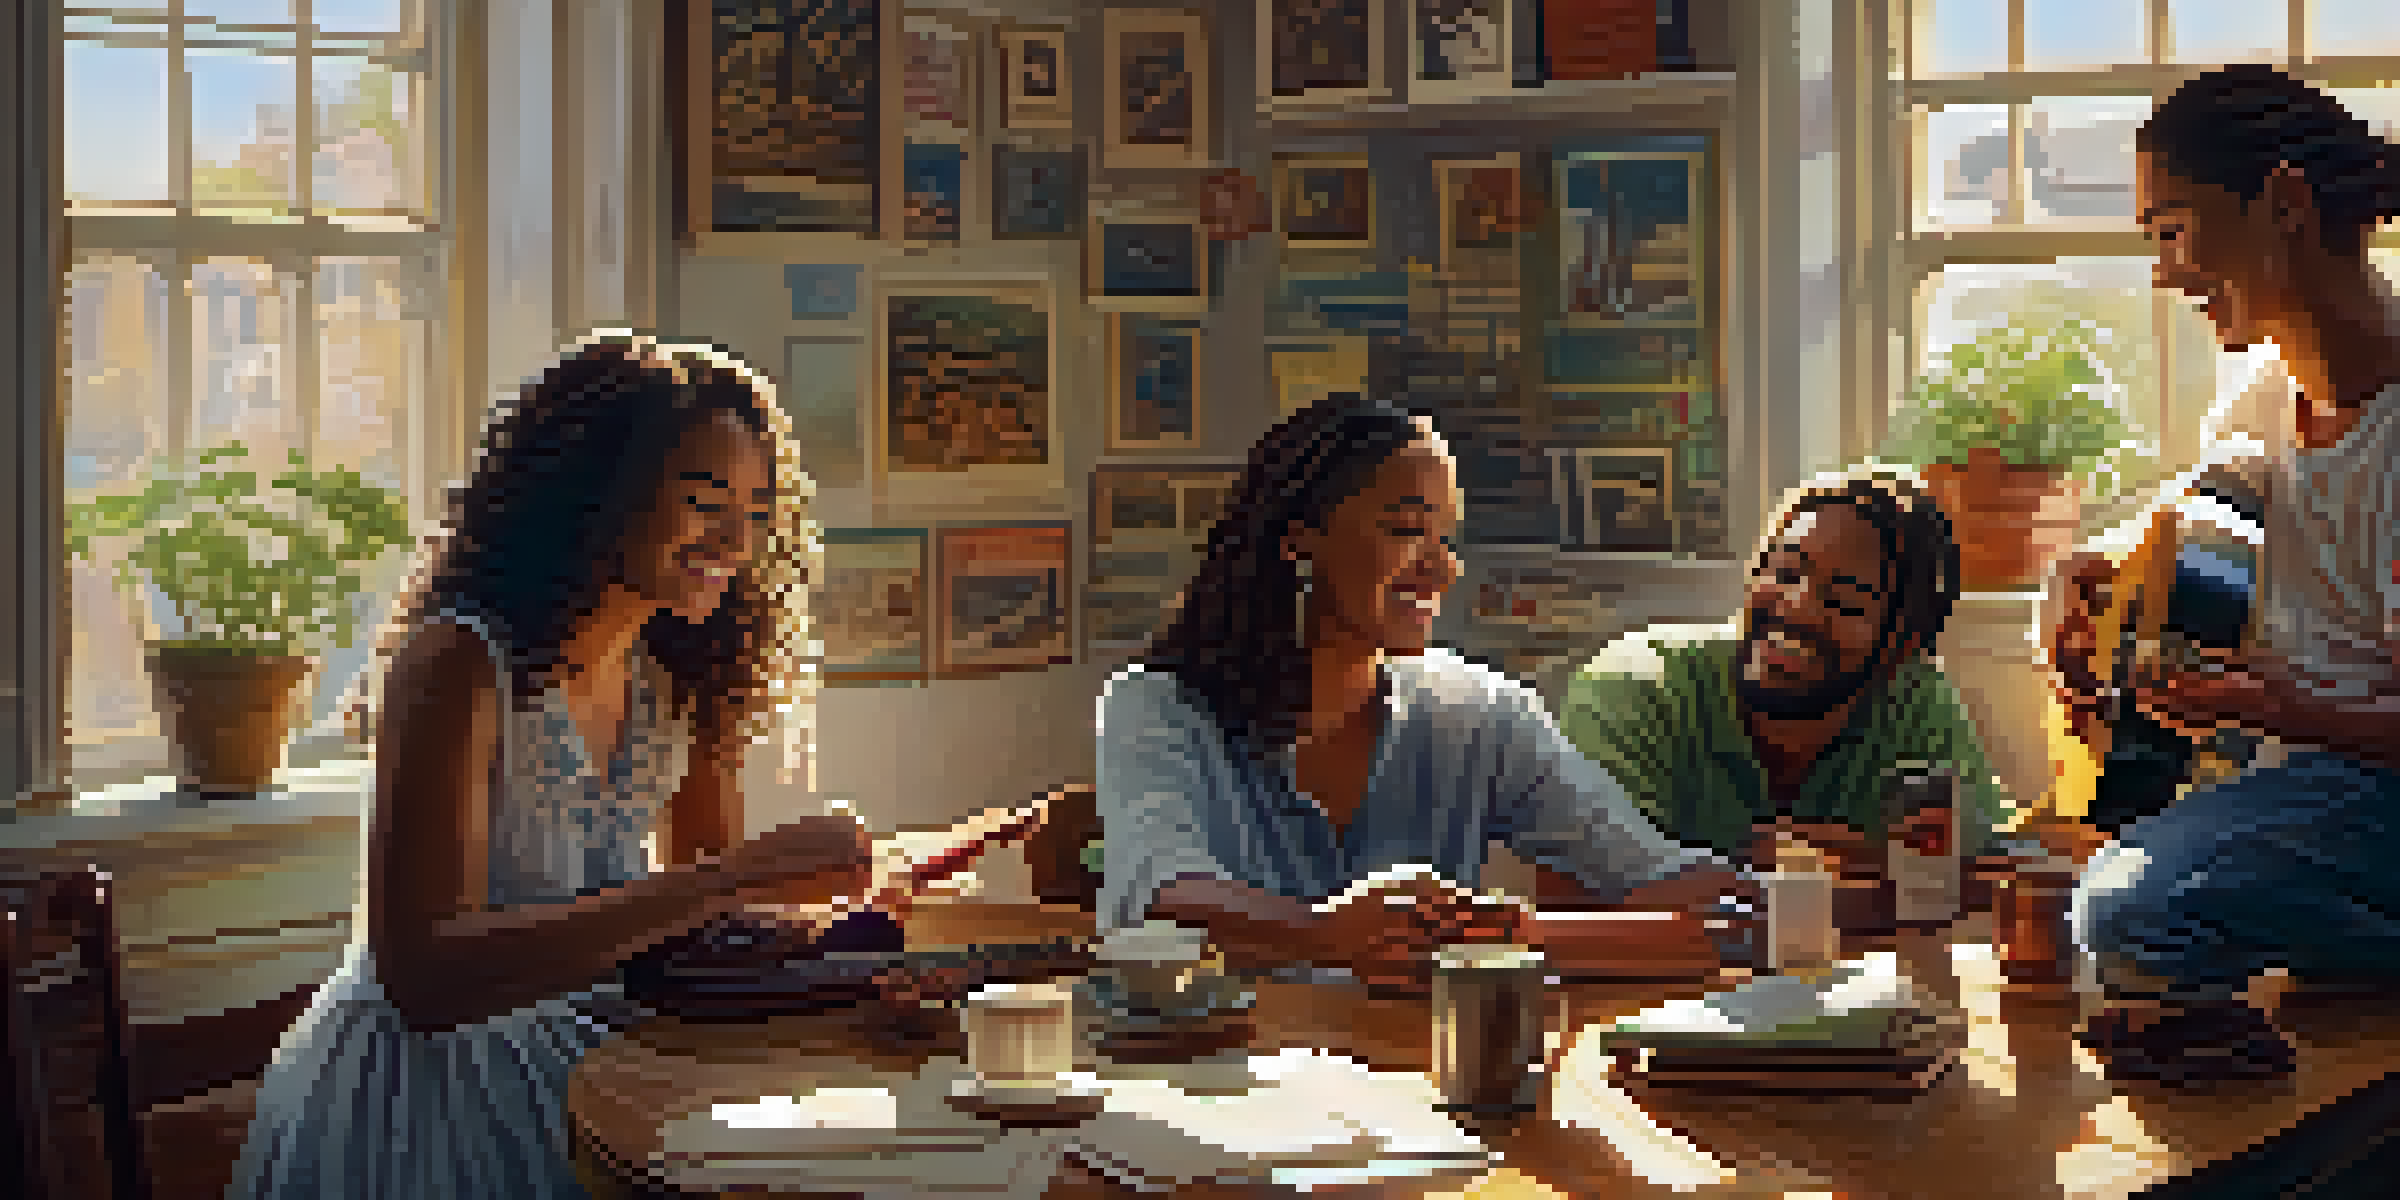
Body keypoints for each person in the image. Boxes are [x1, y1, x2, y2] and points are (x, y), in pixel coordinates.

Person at [231, 333, 876, 1197]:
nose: (735, 539)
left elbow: (702, 926)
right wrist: (739, 878)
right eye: (704, 499)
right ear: (595, 494)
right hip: (434, 1099)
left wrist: (846, 941)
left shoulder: (681, 674)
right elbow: (424, 974)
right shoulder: (457, 662)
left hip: (605, 1053)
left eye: (756, 512)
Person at [1094, 393, 1749, 987]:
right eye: (1407, 531)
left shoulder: (1480, 714)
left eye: (1445, 538)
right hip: (1220, 1092)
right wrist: (1324, 936)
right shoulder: (1156, 708)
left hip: (1419, 1095)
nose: (1440, 569)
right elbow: (1161, 895)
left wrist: (1517, 933)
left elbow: (1664, 878)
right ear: (1299, 538)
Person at [2049, 65, 2400, 1088]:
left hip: (2372, 786)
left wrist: (2282, 707)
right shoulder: (2266, 391)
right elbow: (2209, 530)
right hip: (2291, 780)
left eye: (2173, 230)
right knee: (2080, 877)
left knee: (2127, 910)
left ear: (2283, 204)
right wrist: (2095, 577)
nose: (2164, 274)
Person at [1557, 469, 2009, 876]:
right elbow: (1574, 888)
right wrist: (1766, 891)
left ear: (1902, 649)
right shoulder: (1638, 687)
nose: (1797, 607)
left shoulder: (1918, 700)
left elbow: (1997, 858)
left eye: (1844, 601)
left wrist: (1883, 869)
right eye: (1786, 571)